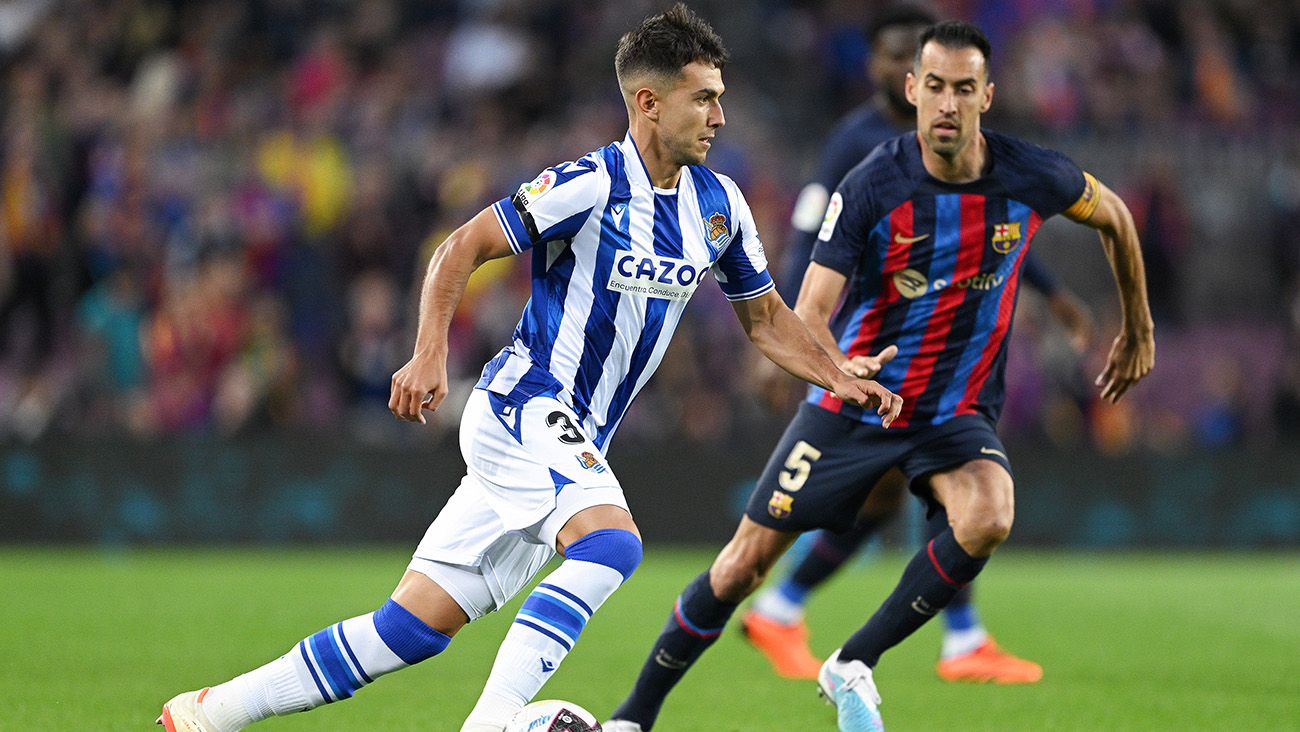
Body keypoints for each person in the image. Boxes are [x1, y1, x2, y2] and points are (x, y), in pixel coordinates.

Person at [155, 5, 901, 732]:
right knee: (613, 544)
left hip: (570, 439)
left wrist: (835, 373)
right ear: (648, 102)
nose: (720, 117)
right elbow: (462, 247)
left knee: (405, 632)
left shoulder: (720, 204)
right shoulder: (588, 183)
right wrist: (428, 351)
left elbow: (767, 318)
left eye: (720, 99)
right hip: (523, 406)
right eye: (703, 99)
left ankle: (211, 713)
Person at [606, 20, 1154, 732]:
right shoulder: (872, 183)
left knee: (990, 514)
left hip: (955, 413)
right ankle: (632, 717)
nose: (948, 104)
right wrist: (836, 369)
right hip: (857, 406)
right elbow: (811, 308)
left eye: (964, 88)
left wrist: (1138, 327)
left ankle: (853, 661)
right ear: (911, 91)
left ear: (987, 96)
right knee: (741, 567)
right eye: (934, 87)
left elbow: (1115, 216)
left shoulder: (1032, 174)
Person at [743, 5, 1092, 685]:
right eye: (897, 57)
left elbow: (996, 226)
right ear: (890, 72)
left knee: (901, 496)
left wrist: (1049, 290)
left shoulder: (959, 141)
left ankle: (792, 610)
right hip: (865, 349)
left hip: (928, 347)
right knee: (920, 486)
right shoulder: (858, 145)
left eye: (922, 57)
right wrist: (781, 335)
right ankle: (937, 634)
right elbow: (810, 239)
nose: (914, 72)